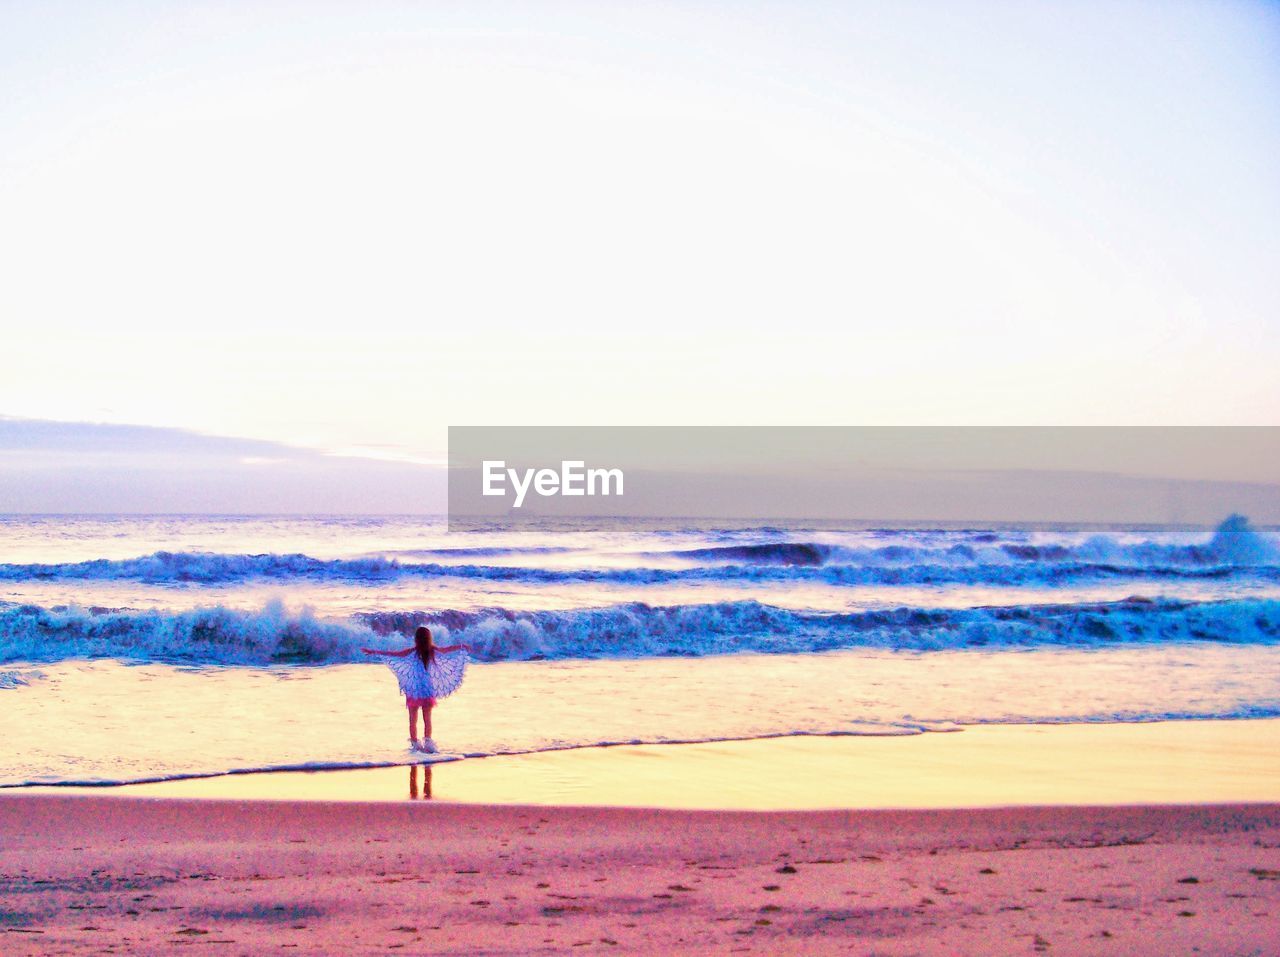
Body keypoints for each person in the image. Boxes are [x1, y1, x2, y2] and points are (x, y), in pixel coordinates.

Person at [362, 626, 469, 753]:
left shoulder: (413, 651)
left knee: (413, 719)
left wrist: (374, 651)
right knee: (427, 719)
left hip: (413, 689)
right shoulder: (432, 650)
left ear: (416, 639)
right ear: (429, 638)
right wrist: (461, 646)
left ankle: (415, 745)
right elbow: (446, 650)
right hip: (427, 689)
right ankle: (428, 743)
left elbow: (395, 655)